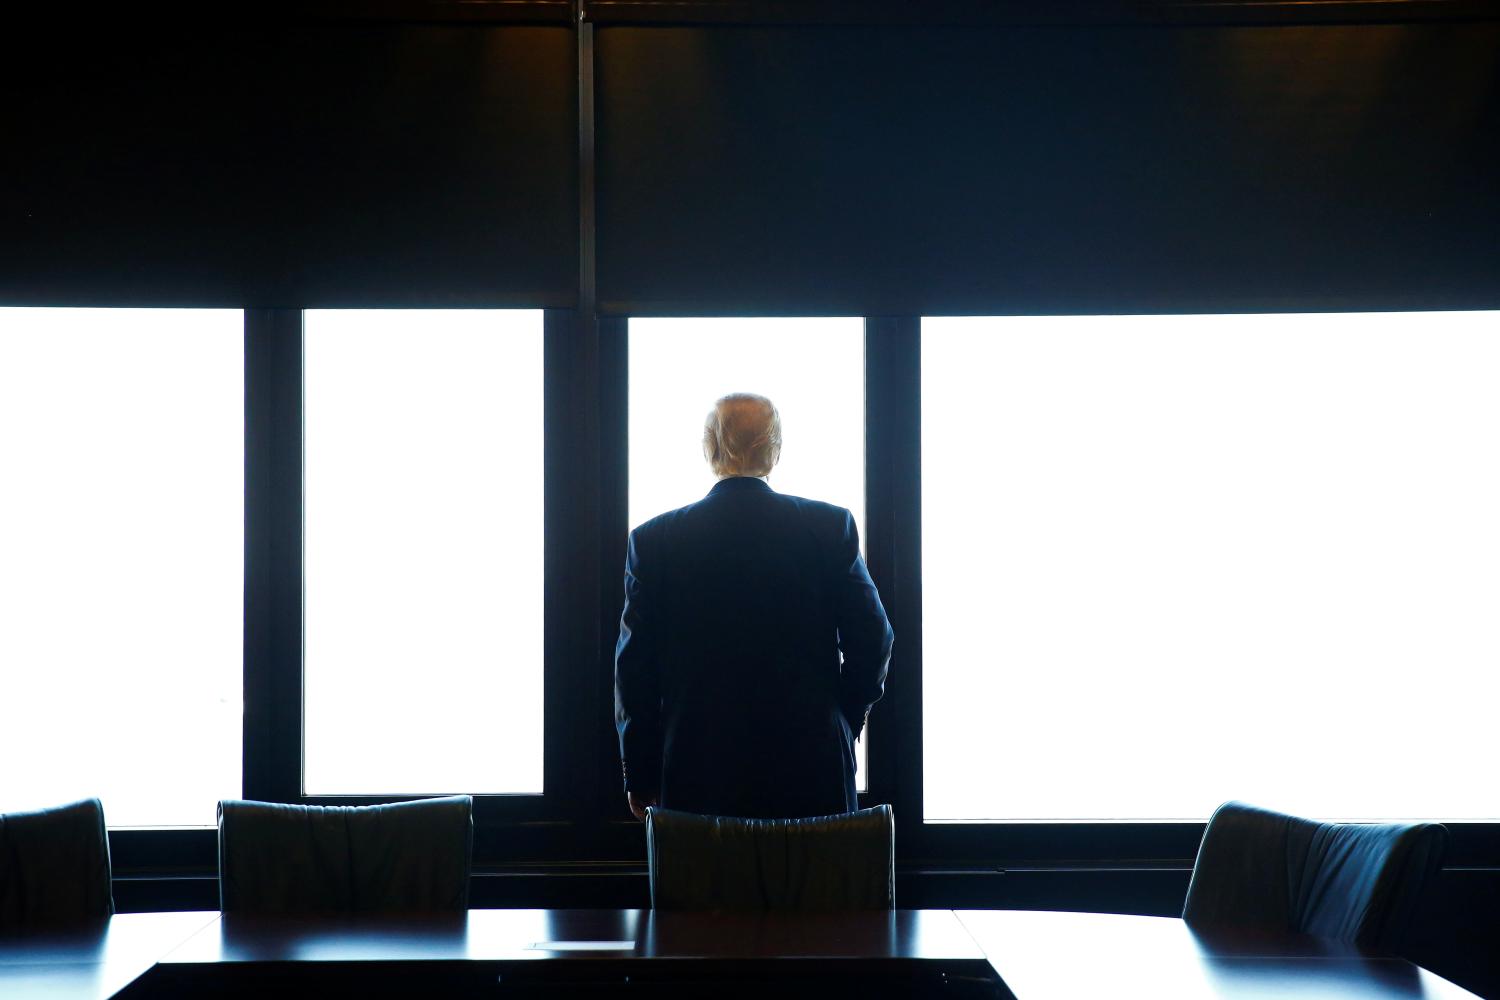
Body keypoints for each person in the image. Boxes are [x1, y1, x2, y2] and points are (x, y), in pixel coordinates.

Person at [614, 392, 893, 821]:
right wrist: (841, 720)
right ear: (774, 451)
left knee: (705, 887)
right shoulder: (829, 527)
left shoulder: (653, 541)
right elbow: (874, 638)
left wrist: (640, 770)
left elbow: (635, 670)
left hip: (696, 766)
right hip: (812, 764)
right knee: (812, 886)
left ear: (709, 448)